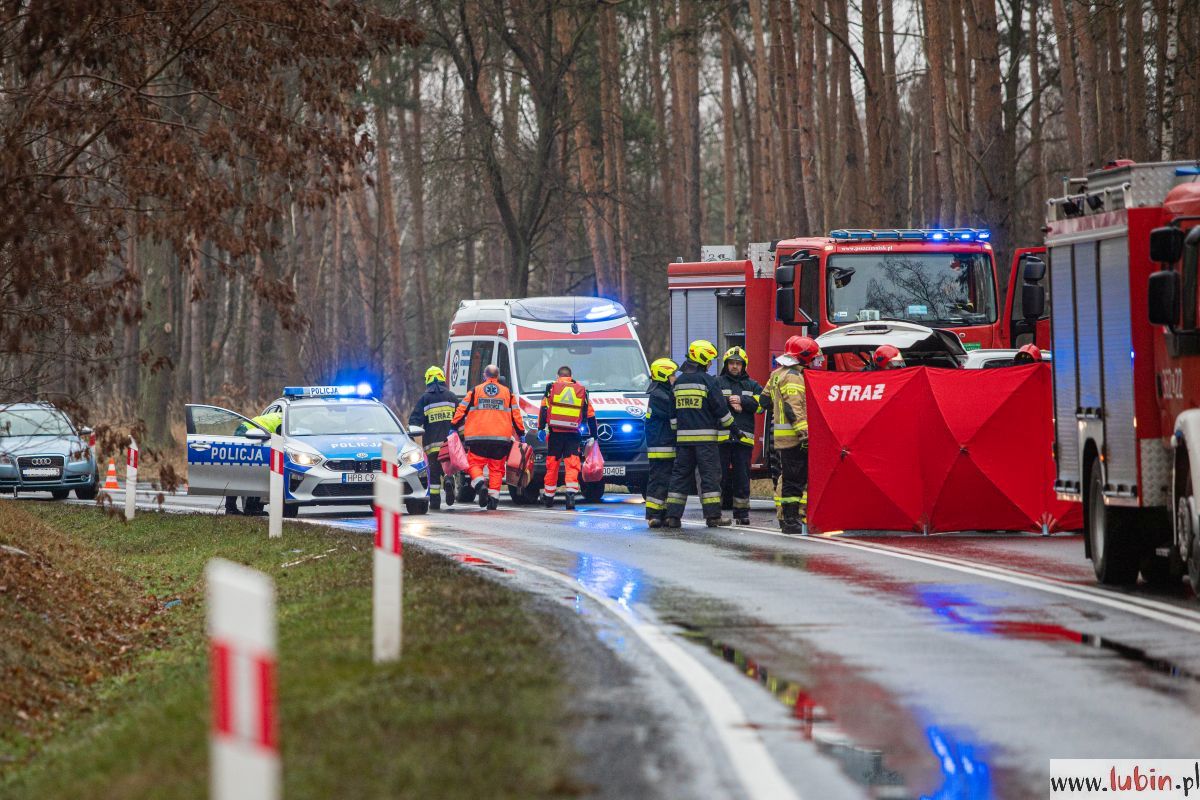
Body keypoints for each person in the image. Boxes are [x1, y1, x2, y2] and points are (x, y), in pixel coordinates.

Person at [664, 340, 736, 528]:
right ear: (703, 359)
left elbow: (672, 414)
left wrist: (678, 433)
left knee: (679, 478)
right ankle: (713, 517)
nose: (711, 364)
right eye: (710, 360)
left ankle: (673, 517)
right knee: (710, 478)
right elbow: (720, 409)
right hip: (706, 442)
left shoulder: (678, 382)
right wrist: (734, 428)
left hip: (683, 442)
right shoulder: (708, 381)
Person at [764, 335, 820, 535]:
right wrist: (804, 435)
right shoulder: (794, 377)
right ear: (803, 357)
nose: (816, 361)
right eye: (813, 357)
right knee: (794, 481)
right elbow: (793, 408)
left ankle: (788, 518)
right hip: (794, 438)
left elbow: (764, 400)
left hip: (781, 437)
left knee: (787, 479)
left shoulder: (777, 374)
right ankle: (791, 521)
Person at [451, 364, 524, 511]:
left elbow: (461, 409)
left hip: (478, 437)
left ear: (485, 375)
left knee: (473, 464)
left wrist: (453, 426)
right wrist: (521, 434)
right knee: (496, 469)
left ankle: (479, 485)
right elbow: (516, 415)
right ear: (497, 376)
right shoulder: (507, 393)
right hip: (501, 439)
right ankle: (493, 500)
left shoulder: (475, 391)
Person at [537, 365, 596, 510]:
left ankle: (549, 497)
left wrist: (541, 428)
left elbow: (543, 410)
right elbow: (590, 414)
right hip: (573, 433)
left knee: (552, 465)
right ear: (571, 376)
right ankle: (570, 496)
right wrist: (594, 435)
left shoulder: (551, 388)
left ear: (558, 376)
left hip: (555, 434)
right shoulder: (581, 390)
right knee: (572, 464)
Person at [717, 347, 762, 525]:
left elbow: (761, 406)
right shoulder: (717, 382)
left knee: (742, 477)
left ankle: (742, 513)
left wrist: (742, 401)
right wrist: (729, 402)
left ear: (744, 366)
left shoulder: (752, 385)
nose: (735, 366)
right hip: (722, 438)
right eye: (731, 363)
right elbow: (712, 404)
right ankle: (716, 513)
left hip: (744, 439)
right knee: (719, 477)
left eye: (738, 363)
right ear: (726, 364)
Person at [409, 366, 459, 510]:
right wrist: (463, 440)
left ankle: (435, 502)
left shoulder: (425, 399)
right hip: (450, 445)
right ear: (442, 378)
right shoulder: (451, 397)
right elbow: (461, 419)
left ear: (428, 380)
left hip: (432, 447)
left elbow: (414, 421)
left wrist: (412, 437)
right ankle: (449, 480)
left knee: (435, 474)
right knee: (450, 468)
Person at [644, 357, 678, 528]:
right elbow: (673, 412)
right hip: (661, 445)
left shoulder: (661, 392)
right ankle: (653, 514)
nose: (675, 378)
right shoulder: (659, 395)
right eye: (672, 374)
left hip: (663, 443)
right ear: (664, 375)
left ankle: (661, 513)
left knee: (664, 480)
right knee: (659, 479)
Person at [227, 410, 283, 515]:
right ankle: (237, 508)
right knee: (244, 471)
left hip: (251, 432)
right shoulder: (284, 422)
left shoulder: (287, 416)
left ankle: (244, 508)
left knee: (254, 469)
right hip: (247, 432)